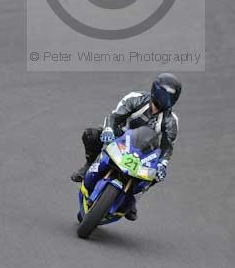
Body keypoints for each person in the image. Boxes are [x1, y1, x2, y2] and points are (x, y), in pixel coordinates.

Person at [71, 73, 181, 221]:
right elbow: (114, 116)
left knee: (156, 173)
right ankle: (89, 164)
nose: (166, 99)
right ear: (155, 90)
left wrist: (163, 164)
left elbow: (167, 147)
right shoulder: (136, 98)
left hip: (143, 153)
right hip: (119, 138)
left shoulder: (171, 121)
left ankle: (132, 199)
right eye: (164, 94)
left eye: (170, 97)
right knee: (91, 134)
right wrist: (108, 129)